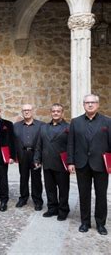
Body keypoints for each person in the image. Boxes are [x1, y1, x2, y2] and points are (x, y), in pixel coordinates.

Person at [67, 94, 110, 235]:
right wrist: (70, 162)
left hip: (101, 165)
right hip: (81, 164)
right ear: (83, 105)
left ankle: (100, 223)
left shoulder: (107, 122)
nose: (90, 105)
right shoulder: (75, 122)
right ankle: (85, 222)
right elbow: (71, 143)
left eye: (93, 102)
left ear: (98, 104)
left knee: (101, 195)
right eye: (87, 102)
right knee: (84, 195)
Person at [34, 103, 70, 221]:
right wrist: (37, 159)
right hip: (47, 163)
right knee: (50, 188)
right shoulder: (44, 127)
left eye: (58, 111)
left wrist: (71, 162)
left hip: (61, 164)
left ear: (62, 113)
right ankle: (52, 208)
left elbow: (71, 146)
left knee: (63, 188)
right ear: (51, 112)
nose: (55, 113)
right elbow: (39, 144)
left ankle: (63, 210)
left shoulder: (68, 127)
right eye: (53, 111)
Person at [13, 104, 44, 210]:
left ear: (32, 111)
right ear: (22, 112)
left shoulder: (41, 125)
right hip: (22, 155)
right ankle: (23, 198)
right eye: (24, 110)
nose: (26, 112)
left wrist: (40, 157)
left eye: (28, 110)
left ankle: (37, 200)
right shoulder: (16, 126)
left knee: (36, 178)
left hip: (36, 155)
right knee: (23, 177)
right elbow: (13, 142)